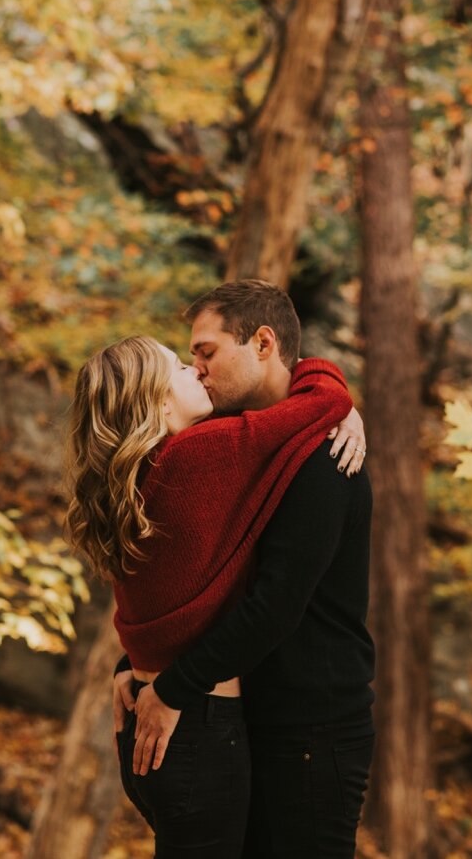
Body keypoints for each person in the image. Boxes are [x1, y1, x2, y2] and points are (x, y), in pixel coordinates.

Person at [65, 323, 366, 857]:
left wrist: (132, 666)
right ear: (156, 405)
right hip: (195, 728)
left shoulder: (142, 473)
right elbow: (319, 402)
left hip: (156, 721)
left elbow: (175, 605)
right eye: (180, 367)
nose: (194, 369)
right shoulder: (196, 458)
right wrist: (335, 391)